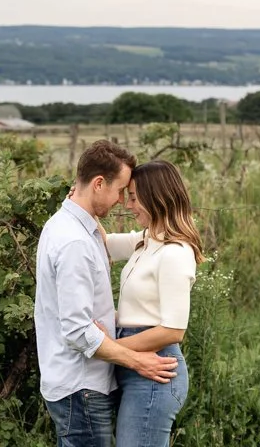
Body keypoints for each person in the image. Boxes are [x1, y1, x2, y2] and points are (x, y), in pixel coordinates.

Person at [34, 140, 179, 447]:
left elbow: (118, 242)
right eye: (120, 191)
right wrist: (136, 361)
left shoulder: (68, 226)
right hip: (81, 385)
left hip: (80, 384)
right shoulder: (74, 243)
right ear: (98, 184)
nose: (122, 202)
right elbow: (77, 331)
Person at [101, 160, 205, 447]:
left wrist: (109, 349)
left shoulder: (175, 253)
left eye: (134, 198)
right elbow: (102, 242)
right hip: (134, 363)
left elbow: (173, 330)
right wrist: (83, 198)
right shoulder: (146, 239)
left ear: (156, 197)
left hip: (155, 369)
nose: (128, 205)